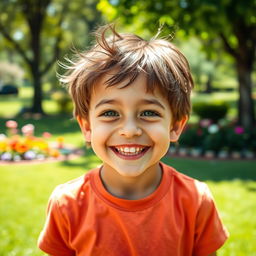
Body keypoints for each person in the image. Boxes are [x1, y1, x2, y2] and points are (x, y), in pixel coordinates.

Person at [38, 24, 229, 256]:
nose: (129, 130)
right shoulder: (66, 204)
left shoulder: (196, 201)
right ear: (87, 127)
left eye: (149, 113)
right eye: (110, 113)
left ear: (176, 126)